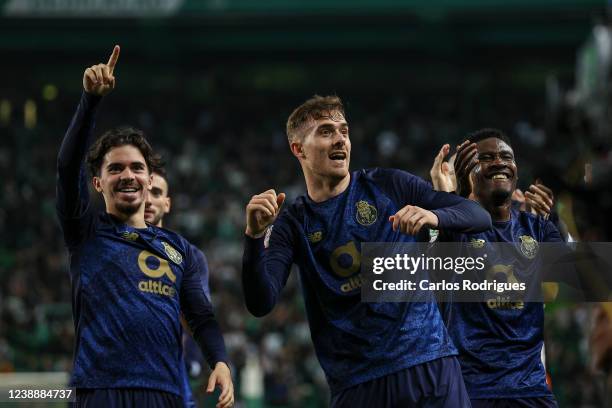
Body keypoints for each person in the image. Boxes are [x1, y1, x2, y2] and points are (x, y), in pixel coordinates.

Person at [242, 95, 493, 407]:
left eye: (344, 131)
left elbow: (479, 217)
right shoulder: (293, 223)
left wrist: (435, 215)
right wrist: (253, 236)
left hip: (429, 365)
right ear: (298, 149)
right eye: (325, 132)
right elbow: (260, 301)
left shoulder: (389, 185)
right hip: (357, 385)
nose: (340, 140)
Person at [56, 45, 233, 408]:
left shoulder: (180, 249)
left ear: (150, 179)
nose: (128, 175)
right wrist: (90, 102)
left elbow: (201, 316)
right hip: (101, 391)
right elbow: (67, 166)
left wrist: (221, 361)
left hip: (164, 394)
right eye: (115, 169)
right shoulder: (86, 233)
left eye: (137, 168)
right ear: (98, 183)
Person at [436, 128, 562, 407]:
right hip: (470, 392)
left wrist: (556, 219)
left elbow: (570, 282)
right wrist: (446, 198)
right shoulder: (453, 228)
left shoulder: (537, 227)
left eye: (506, 156)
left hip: (531, 391)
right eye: (487, 158)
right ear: (467, 174)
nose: (499, 162)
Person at [144, 165, 211, 408]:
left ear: (168, 203)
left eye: (157, 193)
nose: (149, 200)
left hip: (170, 377)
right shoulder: (109, 249)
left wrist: (192, 359)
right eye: (144, 191)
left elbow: (198, 315)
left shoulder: (189, 256)